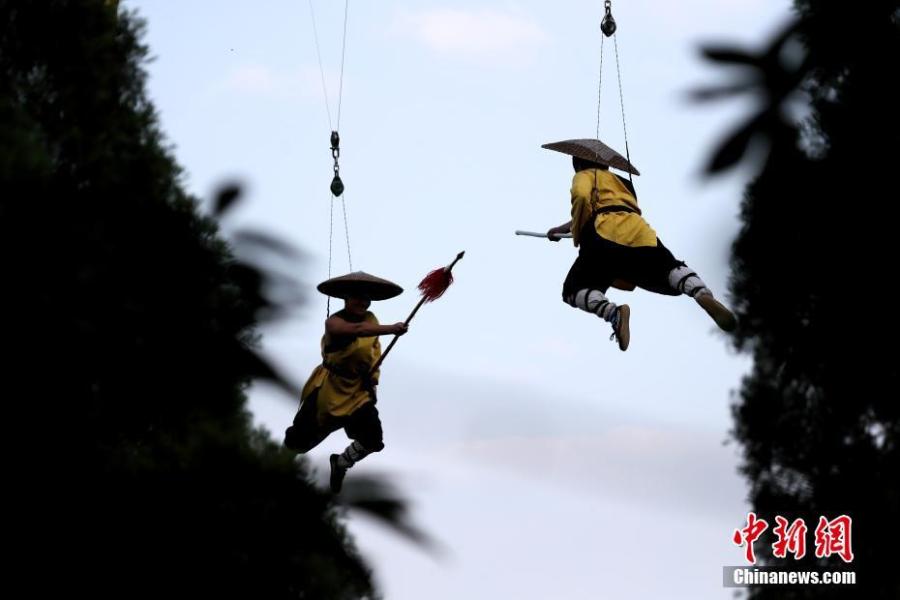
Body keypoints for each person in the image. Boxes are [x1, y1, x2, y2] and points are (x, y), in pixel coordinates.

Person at [543, 138, 736, 351]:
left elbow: (582, 199)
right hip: (640, 232)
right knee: (668, 269)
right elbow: (608, 205)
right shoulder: (622, 182)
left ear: (578, 163)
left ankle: (612, 313)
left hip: (603, 234)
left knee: (574, 289)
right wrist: (562, 229)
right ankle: (702, 294)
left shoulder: (584, 175)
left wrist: (578, 232)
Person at [284, 272, 407, 493]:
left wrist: (372, 382)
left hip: (358, 392)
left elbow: (372, 355)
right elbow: (358, 331)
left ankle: (340, 463)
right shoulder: (334, 323)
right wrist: (391, 329)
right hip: (329, 390)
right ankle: (275, 470)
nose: (362, 302)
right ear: (346, 299)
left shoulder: (372, 320)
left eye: (365, 298)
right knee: (297, 441)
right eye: (356, 297)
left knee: (372, 439)